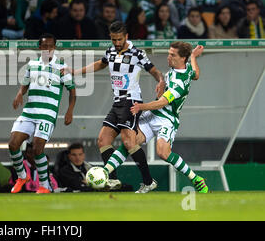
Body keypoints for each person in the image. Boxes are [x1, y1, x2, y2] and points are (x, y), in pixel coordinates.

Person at [70, 21, 166, 193]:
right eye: (113, 39)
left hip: (131, 102)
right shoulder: (111, 51)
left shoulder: (137, 53)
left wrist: (161, 80)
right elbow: (101, 63)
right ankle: (113, 180)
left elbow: (154, 70)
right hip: (117, 102)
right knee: (103, 140)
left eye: (119, 39)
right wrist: (77, 72)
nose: (116, 42)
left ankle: (148, 181)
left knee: (129, 141)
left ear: (126, 36)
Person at [103, 42, 209, 193]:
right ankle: (105, 171)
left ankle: (195, 178)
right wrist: (193, 57)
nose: (168, 57)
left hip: (167, 119)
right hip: (153, 115)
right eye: (169, 53)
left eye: (173, 55)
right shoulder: (185, 69)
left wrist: (141, 106)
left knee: (163, 153)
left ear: (182, 58)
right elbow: (196, 74)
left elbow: (162, 103)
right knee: (129, 142)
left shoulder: (179, 83)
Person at [8, 33, 76, 194]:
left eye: (51, 46)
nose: (48, 49)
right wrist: (19, 94)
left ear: (55, 47)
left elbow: (72, 91)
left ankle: (44, 186)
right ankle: (22, 176)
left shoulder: (61, 66)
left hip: (47, 113)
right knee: (13, 144)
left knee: (38, 148)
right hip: (29, 111)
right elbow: (25, 84)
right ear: (40, 47)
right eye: (44, 46)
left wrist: (69, 111)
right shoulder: (31, 65)